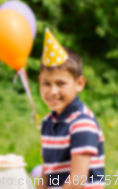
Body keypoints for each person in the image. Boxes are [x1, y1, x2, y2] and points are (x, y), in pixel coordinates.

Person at [37, 29, 104, 189]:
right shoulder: (48, 121)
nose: (53, 91)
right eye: (47, 83)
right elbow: (47, 170)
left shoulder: (82, 123)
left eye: (60, 83)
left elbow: (78, 179)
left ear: (79, 84)